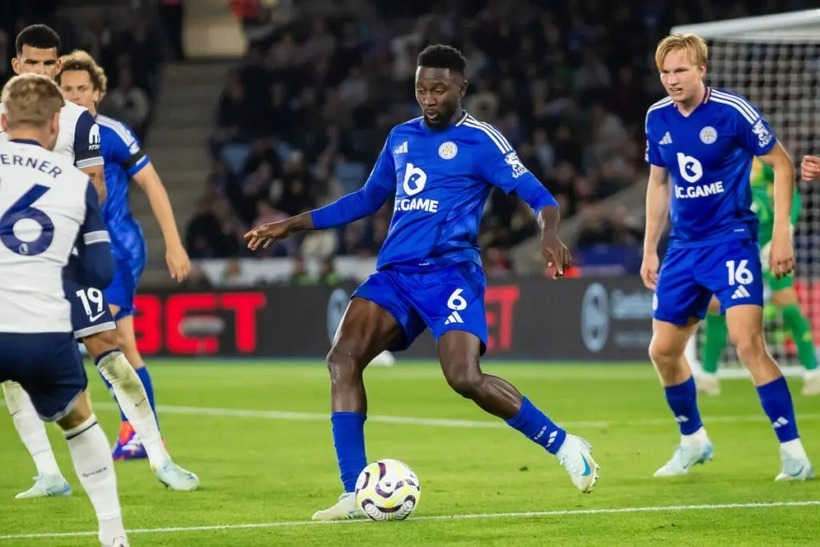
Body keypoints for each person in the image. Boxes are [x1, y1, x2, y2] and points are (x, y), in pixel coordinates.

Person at [246, 44, 600, 521]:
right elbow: (367, 199)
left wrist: (550, 232)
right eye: (420, 89)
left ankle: (563, 444)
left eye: (438, 89)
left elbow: (539, 196)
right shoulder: (401, 137)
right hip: (396, 274)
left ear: (461, 88)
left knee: (464, 378)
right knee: (342, 359)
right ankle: (354, 491)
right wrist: (290, 224)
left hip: (451, 273)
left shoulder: (483, 141)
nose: (428, 98)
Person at [1, 25, 197, 499]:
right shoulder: (5, 118)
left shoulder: (80, 121)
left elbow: (97, 190)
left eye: (51, 63)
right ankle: (48, 473)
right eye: (34, 63)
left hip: (67, 252)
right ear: (17, 65)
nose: (43, 72)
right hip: (17, 263)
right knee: (10, 370)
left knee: (109, 344)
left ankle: (159, 457)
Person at [641, 33, 813, 480]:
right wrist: (649, 248)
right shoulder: (656, 118)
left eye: (681, 70)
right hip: (683, 248)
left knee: (748, 341)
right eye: (666, 72)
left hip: (731, 240)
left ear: (701, 69)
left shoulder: (732, 112)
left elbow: (782, 164)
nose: (672, 80)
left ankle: (793, 454)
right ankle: (693, 441)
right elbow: (658, 183)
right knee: (663, 351)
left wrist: (781, 236)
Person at [56, 49, 198, 484]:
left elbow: (152, 185)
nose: (76, 95)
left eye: (83, 88)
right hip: (72, 252)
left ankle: (141, 437)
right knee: (106, 345)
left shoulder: (111, 133)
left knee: (116, 340)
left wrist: (173, 244)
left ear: (98, 93)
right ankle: (134, 433)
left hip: (116, 248)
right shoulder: (50, 135)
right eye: (68, 89)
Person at [0, 73, 129, 547]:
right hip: (44, 333)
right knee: (79, 421)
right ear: (56, 125)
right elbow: (99, 270)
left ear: (2, 120)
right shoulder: (77, 186)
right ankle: (113, 535)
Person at [697, 157, 819, 396]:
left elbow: (791, 194)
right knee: (716, 304)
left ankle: (813, 371)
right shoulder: (714, 160)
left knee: (786, 300)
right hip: (734, 246)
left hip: (767, 244)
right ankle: (708, 376)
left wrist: (785, 231)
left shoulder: (761, 161)